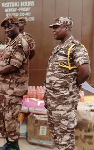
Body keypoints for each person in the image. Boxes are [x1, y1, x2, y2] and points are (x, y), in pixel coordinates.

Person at [0, 16, 29, 150]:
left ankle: (14, 146)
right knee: (3, 116)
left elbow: (13, 67)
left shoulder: (20, 43)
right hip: (5, 87)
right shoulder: (11, 43)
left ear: (17, 26)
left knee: (11, 118)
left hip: (13, 89)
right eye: (5, 27)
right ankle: (10, 143)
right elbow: (5, 64)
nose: (7, 29)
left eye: (10, 26)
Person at [44, 17, 91, 150]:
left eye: (56, 27)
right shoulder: (58, 48)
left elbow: (85, 71)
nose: (53, 30)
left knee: (65, 137)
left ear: (67, 28)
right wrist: (47, 94)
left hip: (64, 102)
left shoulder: (75, 47)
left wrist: (72, 84)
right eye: (53, 27)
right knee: (56, 134)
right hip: (53, 101)